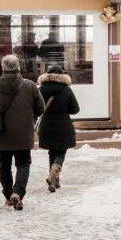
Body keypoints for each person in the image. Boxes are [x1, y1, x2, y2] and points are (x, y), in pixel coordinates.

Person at [0, 55, 45, 210]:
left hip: (2, 134)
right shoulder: (29, 86)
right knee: (23, 164)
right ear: (18, 67)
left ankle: (9, 195)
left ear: (3, 68)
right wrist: (29, 117)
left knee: (4, 166)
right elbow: (41, 108)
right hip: (23, 134)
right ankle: (18, 192)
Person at [37, 65, 80, 193]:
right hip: (63, 125)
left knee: (52, 151)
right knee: (61, 152)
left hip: (47, 126)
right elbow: (75, 109)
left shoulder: (41, 89)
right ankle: (56, 168)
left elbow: (36, 108)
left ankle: (54, 182)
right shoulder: (66, 90)